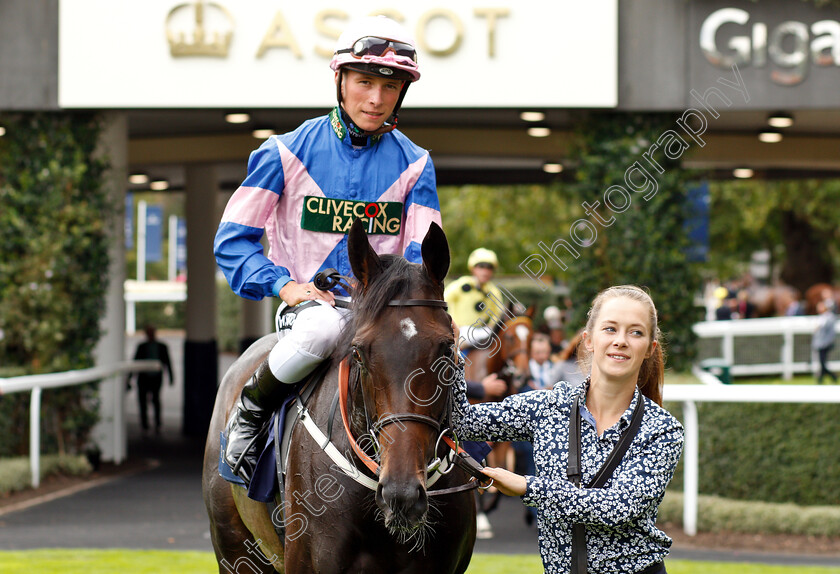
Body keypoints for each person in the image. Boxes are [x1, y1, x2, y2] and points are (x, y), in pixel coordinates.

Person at [213, 16, 438, 484]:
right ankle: (250, 414)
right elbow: (232, 241)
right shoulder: (282, 152)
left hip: (381, 313)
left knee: (437, 351)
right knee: (318, 330)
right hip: (310, 309)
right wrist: (286, 286)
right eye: (365, 82)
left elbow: (419, 252)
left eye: (390, 86)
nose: (376, 99)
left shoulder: (417, 163)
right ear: (339, 79)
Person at [451, 285, 684, 574]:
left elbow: (617, 507)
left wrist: (527, 486)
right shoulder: (548, 406)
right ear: (588, 340)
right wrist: (452, 353)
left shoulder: (663, 430)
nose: (621, 341)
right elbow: (463, 422)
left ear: (650, 348)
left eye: (635, 332)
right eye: (610, 329)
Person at [444, 247, 504, 349]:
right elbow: (443, 300)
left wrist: (491, 326)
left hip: (483, 333)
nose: (485, 271)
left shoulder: (494, 291)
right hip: (461, 331)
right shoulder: (461, 284)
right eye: (481, 266)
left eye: (489, 267)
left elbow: (498, 314)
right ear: (473, 268)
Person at [127, 325, 174, 435]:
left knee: (156, 400)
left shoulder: (162, 347)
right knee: (142, 401)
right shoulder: (141, 347)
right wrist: (130, 378)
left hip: (156, 378)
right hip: (143, 378)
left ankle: (158, 424)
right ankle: (145, 425)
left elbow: (167, 362)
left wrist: (171, 377)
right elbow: (136, 362)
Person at [812, 300, 837, 384]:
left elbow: (830, 333)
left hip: (825, 344)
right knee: (822, 362)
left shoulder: (830, 318)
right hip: (820, 343)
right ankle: (825, 378)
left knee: (822, 362)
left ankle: (830, 377)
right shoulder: (822, 317)